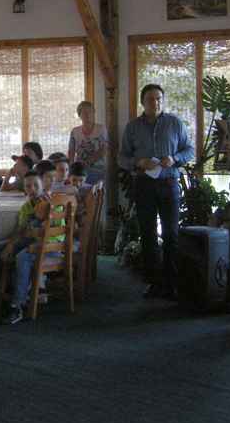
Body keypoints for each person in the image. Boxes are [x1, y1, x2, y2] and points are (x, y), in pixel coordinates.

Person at [120, 84, 194, 300]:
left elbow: (189, 150)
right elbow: (122, 157)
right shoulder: (133, 127)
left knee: (171, 233)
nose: (156, 103)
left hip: (169, 183)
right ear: (143, 102)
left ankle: (171, 283)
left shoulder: (174, 123)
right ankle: (154, 283)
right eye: (151, 99)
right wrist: (138, 162)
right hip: (143, 184)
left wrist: (175, 158)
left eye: (159, 98)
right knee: (148, 234)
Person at [3, 172, 66, 325]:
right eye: (28, 186)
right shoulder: (26, 207)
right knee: (0, 248)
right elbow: (22, 231)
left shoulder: (54, 204)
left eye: (35, 185)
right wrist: (10, 245)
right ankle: (21, 290)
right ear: (24, 189)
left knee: (22, 257)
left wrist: (38, 236)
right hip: (33, 243)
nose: (32, 189)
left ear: (42, 186)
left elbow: (59, 234)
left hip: (51, 247)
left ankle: (17, 305)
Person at [68, 101, 108, 185]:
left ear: (94, 113)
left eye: (90, 111)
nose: (88, 115)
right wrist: (70, 169)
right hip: (79, 171)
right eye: (84, 112)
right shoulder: (75, 131)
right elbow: (71, 151)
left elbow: (105, 149)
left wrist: (89, 161)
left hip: (98, 170)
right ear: (79, 115)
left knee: (96, 192)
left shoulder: (101, 129)